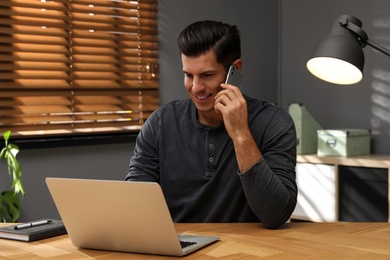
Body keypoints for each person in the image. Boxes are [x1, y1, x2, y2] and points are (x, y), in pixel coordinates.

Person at [126, 20, 297, 229]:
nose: (196, 87)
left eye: (207, 75)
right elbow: (134, 203)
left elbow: (276, 214)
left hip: (248, 251)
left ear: (235, 70)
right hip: (179, 248)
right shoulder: (160, 122)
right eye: (189, 75)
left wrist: (241, 134)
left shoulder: (274, 123)